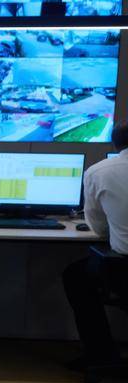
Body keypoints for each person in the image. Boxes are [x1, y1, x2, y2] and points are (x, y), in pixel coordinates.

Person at [65, 125, 128, 369]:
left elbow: (98, 228)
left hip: (122, 271)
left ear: (114, 144)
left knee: (75, 277)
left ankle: (100, 354)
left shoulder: (100, 172)